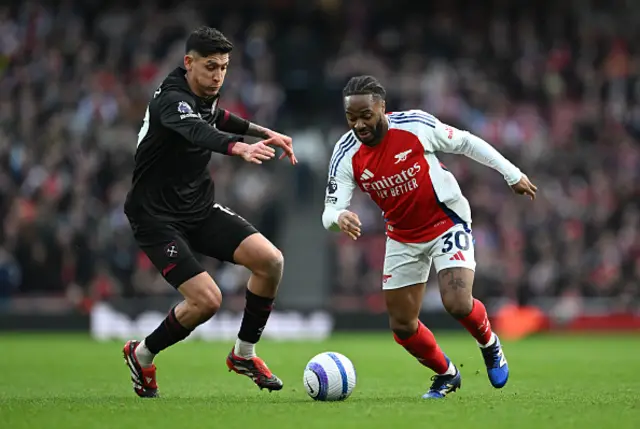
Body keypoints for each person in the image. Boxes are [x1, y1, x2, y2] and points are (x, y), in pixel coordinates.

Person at [322, 75, 537, 399]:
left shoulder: (414, 126)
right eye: (351, 118)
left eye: (366, 115)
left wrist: (512, 173)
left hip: (446, 222)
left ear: (382, 108)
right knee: (402, 326)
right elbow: (329, 211)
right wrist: (339, 217)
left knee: (457, 302)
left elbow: (465, 142)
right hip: (402, 236)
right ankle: (446, 374)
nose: (359, 125)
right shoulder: (345, 152)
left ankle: (489, 343)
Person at [122, 26, 297, 398]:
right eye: (210, 67)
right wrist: (239, 149)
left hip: (197, 208)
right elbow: (199, 131)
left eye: (224, 68)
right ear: (189, 63)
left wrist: (265, 132)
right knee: (207, 301)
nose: (218, 75)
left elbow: (217, 116)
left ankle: (244, 354)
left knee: (271, 262)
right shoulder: (171, 99)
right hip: (155, 216)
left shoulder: (203, 93)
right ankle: (142, 354)